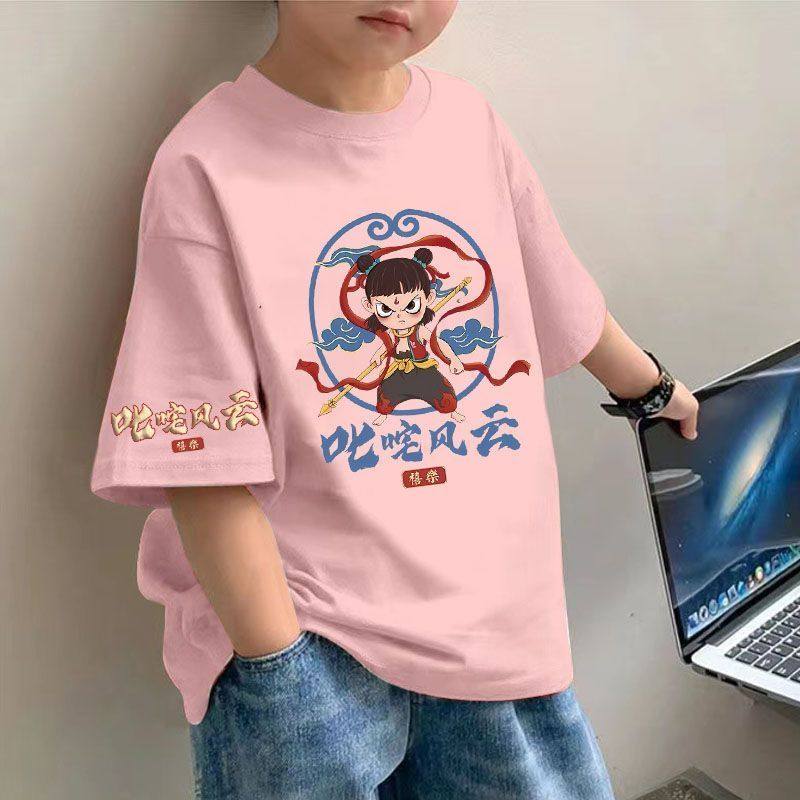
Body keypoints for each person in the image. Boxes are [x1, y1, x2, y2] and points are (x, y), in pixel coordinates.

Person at [90, 2, 699, 798]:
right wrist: (278, 662)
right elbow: (200, 453)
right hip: (312, 641)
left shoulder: (470, 127)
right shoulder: (205, 164)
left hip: (490, 621)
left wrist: (652, 390)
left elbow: (557, 291)